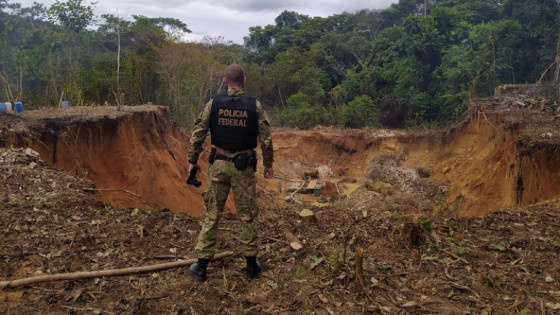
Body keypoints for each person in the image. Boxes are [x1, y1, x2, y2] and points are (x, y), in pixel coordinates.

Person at [187, 64, 274, 282]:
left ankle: (202, 267)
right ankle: (251, 266)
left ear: (225, 81)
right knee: (247, 215)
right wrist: (268, 165)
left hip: (218, 166)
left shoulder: (213, 103)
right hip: (243, 168)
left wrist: (192, 160)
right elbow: (266, 138)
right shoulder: (254, 105)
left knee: (212, 214)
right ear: (244, 80)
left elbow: (198, 133)